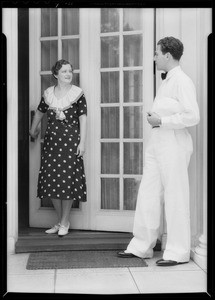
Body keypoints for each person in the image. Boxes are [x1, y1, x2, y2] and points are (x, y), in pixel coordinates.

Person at [117, 37, 200, 266]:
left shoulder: (182, 81)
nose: (154, 58)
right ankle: (141, 246)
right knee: (148, 193)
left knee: (176, 196)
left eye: (156, 53)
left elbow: (193, 116)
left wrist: (161, 120)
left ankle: (177, 252)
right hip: (158, 143)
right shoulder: (166, 81)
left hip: (173, 143)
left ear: (167, 55)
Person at [29, 59, 87, 237]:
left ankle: (63, 222)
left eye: (70, 71)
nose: (68, 74)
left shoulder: (78, 94)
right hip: (52, 143)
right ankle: (62, 221)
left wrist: (82, 142)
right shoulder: (48, 94)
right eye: (64, 71)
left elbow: (83, 118)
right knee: (51, 180)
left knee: (67, 181)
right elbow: (39, 112)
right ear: (56, 75)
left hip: (70, 143)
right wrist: (33, 130)